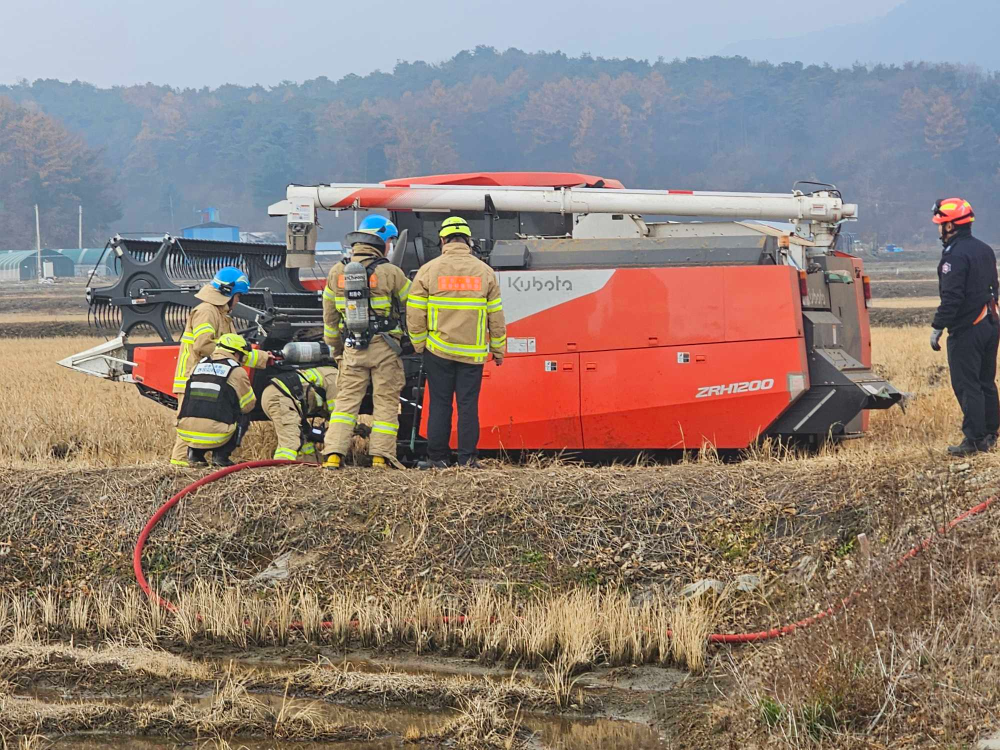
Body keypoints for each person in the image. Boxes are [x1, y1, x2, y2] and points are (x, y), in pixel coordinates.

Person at [406, 216, 506, 469]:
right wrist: (498, 349)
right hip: (472, 353)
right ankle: (467, 459)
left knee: (440, 404)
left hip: (438, 351)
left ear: (443, 240)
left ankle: (438, 458)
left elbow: (415, 313)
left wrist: (419, 344)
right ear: (468, 241)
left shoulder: (429, 270)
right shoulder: (485, 272)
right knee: (467, 406)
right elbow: (496, 315)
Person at [321, 215, 410, 469]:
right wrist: (415, 341)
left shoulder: (336, 272)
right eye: (390, 241)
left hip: (352, 347)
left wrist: (337, 349)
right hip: (385, 348)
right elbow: (413, 306)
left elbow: (329, 317)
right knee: (386, 403)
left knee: (345, 403)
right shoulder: (391, 273)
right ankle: (381, 456)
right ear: (382, 242)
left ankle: (333, 454)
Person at [170, 267, 272, 467]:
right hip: (194, 378)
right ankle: (179, 467)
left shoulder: (221, 315)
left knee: (200, 421)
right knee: (191, 422)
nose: (238, 301)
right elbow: (203, 345)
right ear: (228, 293)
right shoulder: (206, 312)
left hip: (209, 377)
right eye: (238, 296)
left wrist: (262, 358)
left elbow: (233, 352)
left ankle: (193, 463)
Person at [929, 197, 1000, 456]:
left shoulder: (955, 256)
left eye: (940, 224)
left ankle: (974, 439)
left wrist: (938, 327)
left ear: (950, 226)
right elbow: (994, 286)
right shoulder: (984, 249)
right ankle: (991, 434)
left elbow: (952, 297)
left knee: (967, 384)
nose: (939, 229)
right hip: (991, 323)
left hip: (968, 329)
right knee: (986, 382)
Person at [175, 334, 259, 467]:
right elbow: (248, 405)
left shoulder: (197, 366)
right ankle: (221, 456)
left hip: (185, 432)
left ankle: (195, 455)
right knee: (243, 415)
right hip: (216, 435)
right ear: (237, 354)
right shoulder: (236, 371)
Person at [260, 365, 339, 461]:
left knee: (306, 444)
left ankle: (310, 465)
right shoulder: (336, 378)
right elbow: (338, 416)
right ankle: (281, 468)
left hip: (282, 397)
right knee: (290, 444)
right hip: (281, 398)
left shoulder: (332, 374)